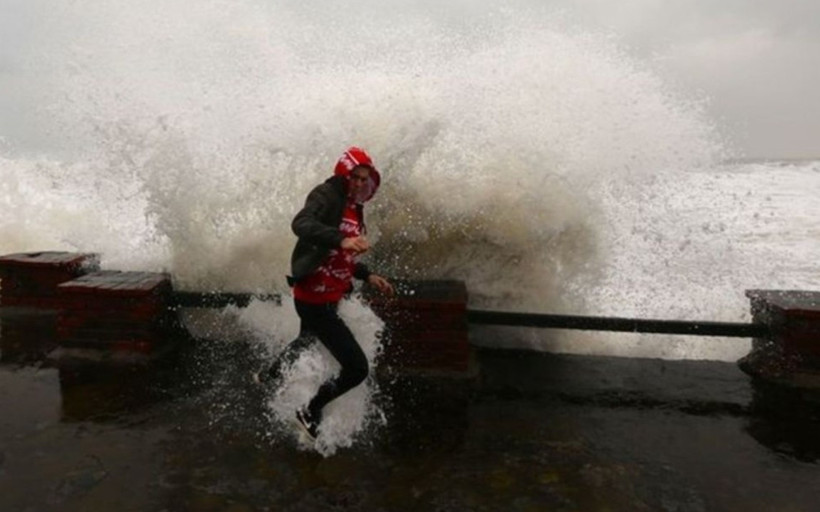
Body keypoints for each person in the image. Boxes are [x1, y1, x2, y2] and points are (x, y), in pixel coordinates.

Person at [258, 146, 394, 441]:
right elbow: (301, 224)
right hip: (314, 299)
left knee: (307, 339)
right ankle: (310, 410)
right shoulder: (326, 195)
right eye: (354, 177)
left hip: (329, 295)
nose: (359, 183)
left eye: (364, 179)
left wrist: (367, 274)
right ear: (343, 174)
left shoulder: (354, 206)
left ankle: (269, 375)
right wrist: (342, 239)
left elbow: (343, 254)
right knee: (357, 369)